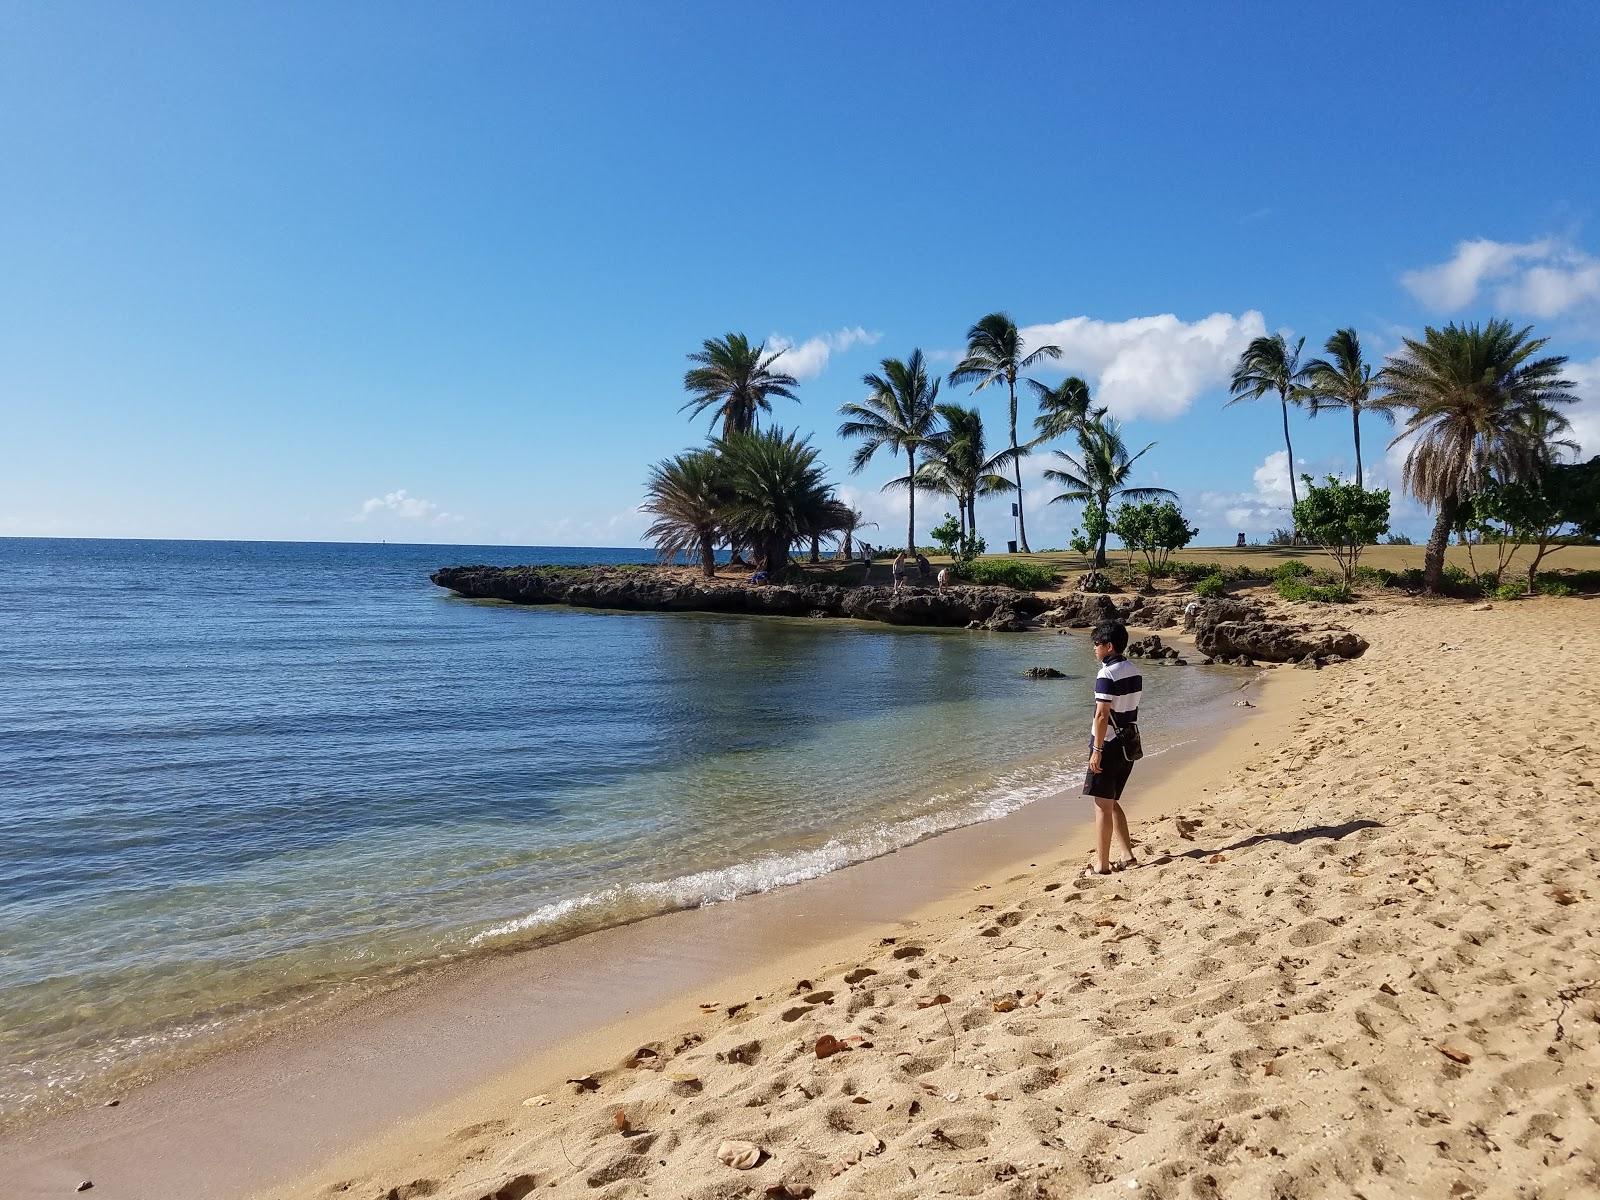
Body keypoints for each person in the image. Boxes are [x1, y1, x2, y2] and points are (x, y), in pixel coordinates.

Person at [1083, 619, 1142, 876]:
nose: (1094, 649)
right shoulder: (1134, 670)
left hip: (1107, 744)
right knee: (1111, 800)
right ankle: (1127, 854)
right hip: (1127, 742)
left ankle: (1102, 865)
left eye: (1096, 644)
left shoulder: (1106, 674)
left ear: (1109, 646)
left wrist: (1096, 751)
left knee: (1102, 805)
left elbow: (1101, 715)